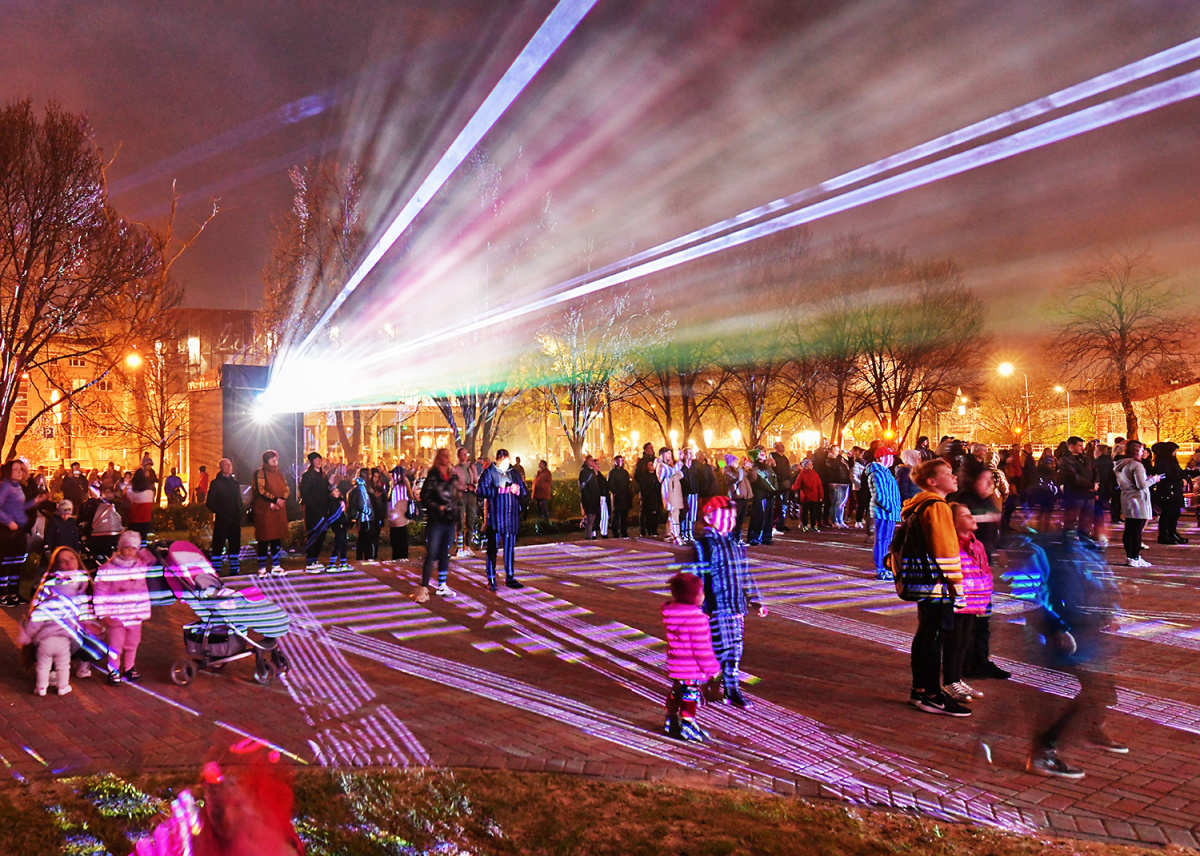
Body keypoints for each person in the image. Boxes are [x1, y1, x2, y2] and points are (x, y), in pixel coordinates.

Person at [1022, 528, 1124, 778]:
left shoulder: (1081, 544)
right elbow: (1029, 593)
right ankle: (1042, 753)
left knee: (1101, 689)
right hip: (1062, 636)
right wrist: (1054, 627)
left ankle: (1089, 729)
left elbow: (1098, 580)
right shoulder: (1042, 547)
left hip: (1085, 633)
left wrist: (1109, 611)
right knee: (1073, 695)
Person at [896, 458, 970, 716]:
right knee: (935, 637)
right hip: (938, 583)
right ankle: (932, 695)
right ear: (932, 481)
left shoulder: (918, 505)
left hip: (921, 580)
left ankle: (920, 690)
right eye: (948, 473)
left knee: (925, 635)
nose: (954, 477)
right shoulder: (937, 506)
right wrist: (956, 585)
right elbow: (944, 548)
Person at [694, 497, 767, 708]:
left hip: (736, 606)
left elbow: (745, 573)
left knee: (735, 648)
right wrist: (700, 604)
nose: (729, 522)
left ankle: (731, 688)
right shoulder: (704, 545)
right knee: (718, 649)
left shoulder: (734, 543)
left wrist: (755, 599)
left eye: (732, 518)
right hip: (717, 606)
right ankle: (695, 686)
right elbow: (698, 575)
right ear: (709, 518)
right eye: (724, 517)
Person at [19, 546, 93, 696]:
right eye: (63, 561)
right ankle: (62, 685)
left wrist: (26, 635)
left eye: (71, 559)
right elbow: (35, 612)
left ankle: (41, 687)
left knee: (43, 663)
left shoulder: (83, 583)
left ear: (77, 560)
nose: (69, 564)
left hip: (48, 637)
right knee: (63, 664)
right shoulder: (49, 587)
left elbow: (37, 618)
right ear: (56, 566)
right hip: (65, 637)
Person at [941, 504, 993, 704]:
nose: (972, 518)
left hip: (974, 599)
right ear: (954, 523)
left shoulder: (976, 544)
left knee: (964, 640)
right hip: (958, 599)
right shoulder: (951, 543)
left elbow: (985, 568)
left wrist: (986, 589)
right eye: (965, 515)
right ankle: (950, 681)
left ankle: (957, 678)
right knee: (954, 641)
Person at [662, 571, 721, 743]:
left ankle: (671, 720)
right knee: (690, 694)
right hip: (690, 667)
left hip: (676, 664)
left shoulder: (671, 612)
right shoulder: (696, 619)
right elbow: (701, 649)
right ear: (692, 596)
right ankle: (687, 724)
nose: (703, 596)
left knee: (676, 691)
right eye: (701, 592)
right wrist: (712, 669)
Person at [93, 530, 153, 684]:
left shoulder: (140, 566)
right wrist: (103, 614)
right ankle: (113, 670)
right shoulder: (108, 569)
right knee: (116, 645)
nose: (130, 551)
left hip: (134, 614)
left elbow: (151, 560)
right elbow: (100, 592)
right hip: (116, 615)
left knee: (133, 643)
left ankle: (129, 668)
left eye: (134, 548)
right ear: (120, 548)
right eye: (127, 547)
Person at [477, 449, 528, 591]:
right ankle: (491, 577)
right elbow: (480, 490)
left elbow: (524, 492)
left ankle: (510, 576)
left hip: (511, 518)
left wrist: (518, 490)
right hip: (495, 518)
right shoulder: (489, 473)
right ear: (498, 460)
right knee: (492, 549)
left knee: (509, 548)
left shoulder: (514, 473)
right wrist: (498, 491)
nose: (506, 464)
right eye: (503, 461)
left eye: (507, 461)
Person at [415, 448, 458, 602]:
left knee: (445, 552)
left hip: (449, 519)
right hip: (437, 520)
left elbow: (454, 496)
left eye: (448, 456)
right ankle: (424, 588)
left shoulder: (452, 475)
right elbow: (424, 496)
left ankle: (442, 585)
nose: (447, 458)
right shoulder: (433, 476)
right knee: (432, 553)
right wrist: (437, 507)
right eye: (444, 456)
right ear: (439, 458)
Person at [0, 459, 42, 605]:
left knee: (17, 563)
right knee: (6, 564)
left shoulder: (20, 487)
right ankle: (3, 595)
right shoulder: (5, 486)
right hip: (7, 533)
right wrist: (8, 522)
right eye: (16, 469)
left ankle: (14, 593)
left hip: (20, 531)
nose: (20, 472)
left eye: (21, 469)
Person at [1114, 440, 1158, 567]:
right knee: (1136, 530)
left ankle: (1131, 556)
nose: (1144, 452)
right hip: (1138, 499)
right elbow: (1141, 485)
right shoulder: (1136, 465)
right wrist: (1153, 480)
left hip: (1127, 497)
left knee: (1130, 529)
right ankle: (1134, 556)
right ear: (1136, 451)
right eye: (1142, 450)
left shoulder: (1120, 464)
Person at [252, 451, 290, 575]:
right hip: (265, 511)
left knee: (276, 538)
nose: (275, 461)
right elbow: (260, 490)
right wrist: (274, 500)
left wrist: (282, 500)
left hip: (278, 511)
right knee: (264, 538)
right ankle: (262, 567)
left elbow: (286, 488)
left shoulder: (279, 473)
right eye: (272, 459)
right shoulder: (260, 473)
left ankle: (276, 565)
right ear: (266, 460)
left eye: (276, 459)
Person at [867, 447, 902, 580]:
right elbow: (880, 495)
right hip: (884, 513)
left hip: (888, 513)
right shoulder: (878, 473)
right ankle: (881, 570)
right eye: (890, 456)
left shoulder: (885, 472)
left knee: (886, 542)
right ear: (881, 458)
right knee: (882, 541)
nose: (892, 459)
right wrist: (891, 508)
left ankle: (885, 569)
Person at [206, 458, 243, 576]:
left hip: (235, 520)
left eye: (230, 464)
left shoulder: (235, 483)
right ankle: (216, 569)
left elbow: (238, 500)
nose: (229, 467)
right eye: (226, 465)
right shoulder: (216, 483)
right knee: (218, 544)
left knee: (235, 545)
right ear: (221, 467)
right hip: (222, 520)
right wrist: (220, 512)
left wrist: (241, 512)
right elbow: (210, 502)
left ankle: (234, 569)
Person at [1151, 441, 1189, 545]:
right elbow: (1169, 476)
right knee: (1167, 513)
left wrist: (1187, 475)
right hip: (1168, 491)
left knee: (1175, 513)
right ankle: (1164, 535)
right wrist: (1182, 477)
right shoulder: (1163, 462)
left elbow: (1178, 472)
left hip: (1174, 490)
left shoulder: (1172, 461)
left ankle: (1173, 533)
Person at [299, 452, 330, 572]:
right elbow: (305, 494)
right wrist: (313, 507)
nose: (319, 462)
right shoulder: (307, 476)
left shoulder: (323, 476)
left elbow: (327, 489)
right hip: (313, 511)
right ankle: (310, 561)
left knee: (321, 535)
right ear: (312, 462)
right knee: (313, 535)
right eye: (316, 459)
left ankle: (315, 559)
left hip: (323, 509)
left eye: (320, 459)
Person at [1059, 436, 1095, 535]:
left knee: (1087, 520)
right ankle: (1068, 540)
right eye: (1079, 445)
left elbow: (1095, 470)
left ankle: (1085, 539)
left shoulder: (1085, 458)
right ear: (1071, 447)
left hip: (1088, 494)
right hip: (1075, 494)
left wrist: (1095, 483)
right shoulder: (1065, 460)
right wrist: (1091, 485)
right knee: (1071, 519)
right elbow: (1074, 477)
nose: (1082, 448)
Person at [82, 486, 124, 564]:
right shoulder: (102, 504)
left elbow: (82, 518)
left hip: (97, 531)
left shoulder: (89, 505)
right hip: (103, 529)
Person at [744, 449, 777, 546]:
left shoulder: (767, 467)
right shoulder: (754, 468)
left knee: (768, 516)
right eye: (761, 453)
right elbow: (757, 480)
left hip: (769, 494)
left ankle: (766, 537)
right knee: (758, 516)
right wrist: (770, 489)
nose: (764, 455)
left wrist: (774, 489)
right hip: (760, 494)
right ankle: (755, 537)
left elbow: (774, 477)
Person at [453, 447, 480, 554]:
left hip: (471, 495)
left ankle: (467, 546)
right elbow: (454, 483)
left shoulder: (472, 467)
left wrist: (474, 486)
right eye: (462, 454)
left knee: (470, 520)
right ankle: (459, 547)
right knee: (460, 521)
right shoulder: (455, 469)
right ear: (458, 456)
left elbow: (476, 479)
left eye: (465, 454)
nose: (464, 456)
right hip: (461, 495)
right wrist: (464, 487)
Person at [656, 447, 685, 544]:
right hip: (668, 491)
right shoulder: (661, 466)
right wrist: (679, 462)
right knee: (673, 513)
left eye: (670, 454)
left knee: (674, 513)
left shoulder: (668, 465)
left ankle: (669, 534)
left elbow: (678, 474)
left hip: (674, 491)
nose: (669, 456)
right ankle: (676, 535)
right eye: (667, 454)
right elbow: (664, 475)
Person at [346, 468, 374, 561]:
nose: (370, 476)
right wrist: (368, 512)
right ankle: (365, 557)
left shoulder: (359, 487)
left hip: (362, 518)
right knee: (365, 539)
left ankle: (361, 558)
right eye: (369, 474)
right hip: (365, 518)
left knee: (362, 538)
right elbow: (361, 504)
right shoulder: (361, 488)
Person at [634, 442, 661, 537]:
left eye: (652, 448)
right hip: (645, 490)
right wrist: (644, 483)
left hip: (655, 490)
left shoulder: (656, 460)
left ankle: (653, 529)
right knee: (645, 510)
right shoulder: (641, 462)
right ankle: (643, 530)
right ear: (645, 450)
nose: (651, 449)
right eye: (649, 448)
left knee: (655, 510)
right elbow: (637, 476)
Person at [387, 465, 413, 560]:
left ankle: (399, 559)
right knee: (401, 541)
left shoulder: (398, 488)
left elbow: (395, 503)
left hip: (397, 519)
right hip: (401, 519)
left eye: (393, 474)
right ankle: (402, 558)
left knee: (398, 542)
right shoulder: (403, 486)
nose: (391, 476)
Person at [128, 459, 157, 540]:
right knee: (143, 539)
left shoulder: (131, 492)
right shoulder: (150, 492)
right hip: (146, 520)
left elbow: (126, 496)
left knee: (133, 540)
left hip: (133, 520)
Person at [792, 459, 824, 532]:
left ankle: (813, 525)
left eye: (811, 464)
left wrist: (821, 496)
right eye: (809, 464)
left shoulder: (815, 474)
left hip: (814, 496)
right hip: (805, 497)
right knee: (805, 512)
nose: (811, 466)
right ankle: (805, 525)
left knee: (813, 512)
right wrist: (793, 487)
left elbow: (819, 485)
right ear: (805, 466)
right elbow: (797, 484)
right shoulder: (802, 474)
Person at [326, 484, 351, 572]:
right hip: (338, 526)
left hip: (342, 526)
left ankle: (343, 562)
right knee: (338, 544)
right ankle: (331, 564)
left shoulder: (338, 501)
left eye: (337, 490)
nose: (337, 492)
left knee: (344, 544)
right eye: (334, 490)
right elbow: (335, 515)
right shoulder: (332, 502)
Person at [578, 455, 603, 539]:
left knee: (592, 519)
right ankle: (588, 537)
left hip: (594, 499)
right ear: (586, 462)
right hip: (589, 500)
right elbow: (583, 488)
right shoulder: (584, 472)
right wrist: (587, 498)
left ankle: (590, 536)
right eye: (590, 461)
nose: (593, 462)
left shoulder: (591, 472)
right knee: (589, 519)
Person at [607, 456, 632, 538]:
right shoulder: (612, 472)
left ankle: (624, 531)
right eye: (618, 461)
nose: (619, 462)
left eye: (621, 461)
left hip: (625, 496)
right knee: (616, 515)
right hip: (617, 497)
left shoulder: (625, 472)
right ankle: (615, 532)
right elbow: (610, 485)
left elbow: (628, 484)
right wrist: (616, 493)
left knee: (624, 515)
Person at [770, 442, 792, 533]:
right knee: (778, 505)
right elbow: (775, 470)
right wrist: (780, 480)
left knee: (784, 505)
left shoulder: (785, 458)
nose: (783, 447)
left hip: (786, 485)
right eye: (780, 446)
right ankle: (776, 524)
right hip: (779, 485)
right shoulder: (773, 457)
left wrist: (789, 480)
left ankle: (782, 523)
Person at [679, 447, 700, 541]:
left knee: (692, 514)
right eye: (689, 453)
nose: (691, 455)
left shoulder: (695, 467)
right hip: (685, 493)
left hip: (694, 492)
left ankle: (690, 532)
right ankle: (683, 532)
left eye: (692, 453)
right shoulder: (682, 467)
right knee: (685, 513)